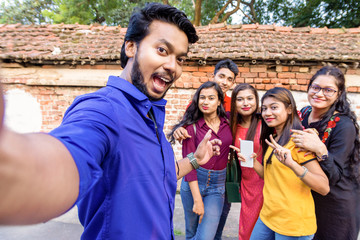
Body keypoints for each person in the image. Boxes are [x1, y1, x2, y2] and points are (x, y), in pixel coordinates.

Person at [0, 3, 224, 240]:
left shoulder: (151, 114)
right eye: (161, 50)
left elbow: (156, 174)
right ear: (130, 46)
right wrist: (17, 170)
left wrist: (196, 159)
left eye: (180, 59)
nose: (172, 66)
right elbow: (61, 162)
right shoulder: (102, 110)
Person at [231, 87, 330, 240]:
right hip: (268, 216)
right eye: (264, 109)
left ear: (289, 109)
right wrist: (251, 162)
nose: (267, 113)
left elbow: (323, 187)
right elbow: (269, 176)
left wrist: (293, 165)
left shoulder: (298, 141)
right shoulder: (274, 138)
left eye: (274, 107)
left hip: (292, 224)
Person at [172, 59, 238, 240]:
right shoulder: (192, 123)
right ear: (214, 75)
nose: (224, 81)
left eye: (229, 79)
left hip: (220, 182)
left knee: (209, 232)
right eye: (221, 76)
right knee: (192, 233)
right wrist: (179, 128)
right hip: (195, 178)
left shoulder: (231, 115)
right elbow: (185, 128)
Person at [292, 66, 360, 240]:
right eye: (315, 87)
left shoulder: (343, 126)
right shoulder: (304, 114)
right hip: (308, 200)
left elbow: (335, 174)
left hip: (336, 205)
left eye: (328, 90)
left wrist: (320, 148)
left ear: (339, 94)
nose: (319, 94)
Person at [229, 83, 263, 240]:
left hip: (266, 180)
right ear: (234, 103)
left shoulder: (266, 122)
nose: (246, 103)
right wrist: (183, 127)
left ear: (256, 100)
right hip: (247, 183)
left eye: (250, 98)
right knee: (247, 229)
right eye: (240, 99)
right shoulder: (232, 125)